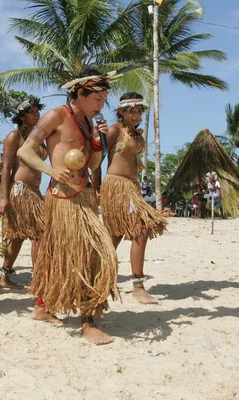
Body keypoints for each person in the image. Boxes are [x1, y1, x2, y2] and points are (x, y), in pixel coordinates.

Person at [18, 69, 119, 345]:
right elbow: (24, 151)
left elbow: (94, 165)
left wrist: (97, 145)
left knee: (83, 255)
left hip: (84, 196)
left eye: (104, 98)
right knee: (84, 255)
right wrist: (49, 170)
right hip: (62, 197)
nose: (102, 103)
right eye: (97, 97)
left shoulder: (89, 123)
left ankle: (43, 307)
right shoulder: (57, 115)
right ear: (80, 93)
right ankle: (87, 323)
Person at [100, 92, 167, 305]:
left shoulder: (138, 135)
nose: (136, 115)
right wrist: (95, 187)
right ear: (121, 112)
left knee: (119, 235)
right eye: (132, 111)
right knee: (137, 230)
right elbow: (96, 157)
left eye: (139, 111)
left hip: (131, 188)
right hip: (115, 186)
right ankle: (137, 286)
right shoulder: (113, 131)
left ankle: (103, 278)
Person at [0, 97, 51, 298]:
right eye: (32, 111)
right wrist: (3, 197)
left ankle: (4, 276)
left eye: (38, 111)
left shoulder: (39, 136)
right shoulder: (14, 136)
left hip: (35, 191)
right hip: (20, 190)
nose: (37, 114)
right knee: (40, 233)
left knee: (18, 235)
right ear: (21, 116)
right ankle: (38, 278)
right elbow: (6, 168)